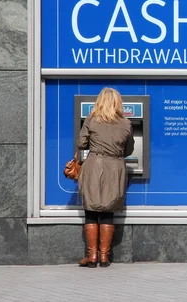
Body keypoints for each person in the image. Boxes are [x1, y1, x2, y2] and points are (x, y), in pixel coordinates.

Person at [76, 87, 134, 268]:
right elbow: (129, 150)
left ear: (99, 101)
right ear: (118, 102)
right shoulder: (126, 123)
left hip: (94, 165)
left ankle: (91, 256)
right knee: (108, 209)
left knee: (91, 209)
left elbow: (81, 143)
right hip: (115, 167)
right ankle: (104, 257)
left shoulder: (92, 119)